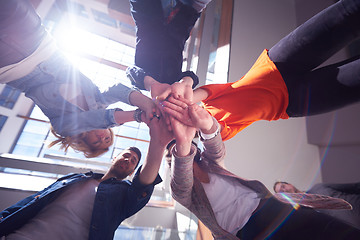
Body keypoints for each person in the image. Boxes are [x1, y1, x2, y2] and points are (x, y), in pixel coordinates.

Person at [163, 96, 360, 239]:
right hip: (249, 232)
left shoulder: (209, 163)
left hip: (268, 206)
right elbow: (182, 176)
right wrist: (181, 141)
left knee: (334, 232)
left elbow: (215, 147)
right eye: (173, 151)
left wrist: (206, 125)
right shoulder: (181, 191)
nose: (180, 148)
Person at [161, 0, 360, 141]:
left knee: (348, 13)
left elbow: (191, 93)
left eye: (172, 118)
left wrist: (180, 95)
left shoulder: (205, 101)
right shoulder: (214, 134)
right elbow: (211, 127)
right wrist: (188, 124)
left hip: (276, 64)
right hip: (293, 102)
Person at [0, 0, 159, 158]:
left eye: (97, 142)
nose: (100, 137)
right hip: (40, 44)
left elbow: (94, 119)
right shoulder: (99, 99)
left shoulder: (64, 127)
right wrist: (146, 103)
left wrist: (137, 116)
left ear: (84, 142)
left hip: (12, 68)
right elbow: (117, 90)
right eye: (107, 138)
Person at [0, 115, 173, 239]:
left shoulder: (123, 196)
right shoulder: (74, 178)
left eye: (133, 161)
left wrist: (158, 142)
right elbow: (28, 204)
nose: (128, 160)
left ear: (131, 172)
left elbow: (143, 184)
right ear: (114, 157)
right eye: (126, 155)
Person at [126, 0, 214, 98]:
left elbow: (131, 71)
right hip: (181, 23)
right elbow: (192, 76)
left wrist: (152, 84)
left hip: (148, 16)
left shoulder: (141, 81)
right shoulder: (174, 83)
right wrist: (187, 83)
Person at [274, 181, 360, 229]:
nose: (284, 190)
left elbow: (354, 187)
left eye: (283, 186)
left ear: (290, 184)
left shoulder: (318, 187)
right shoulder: (302, 214)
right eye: (282, 192)